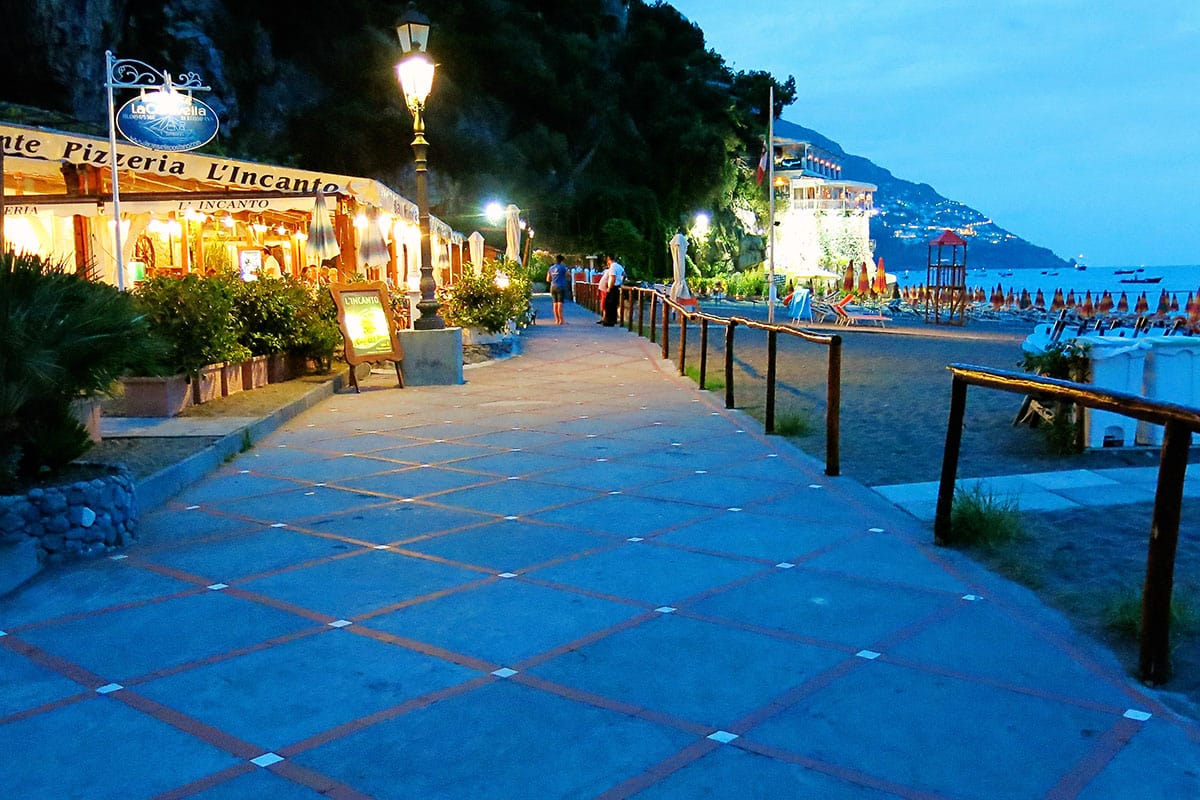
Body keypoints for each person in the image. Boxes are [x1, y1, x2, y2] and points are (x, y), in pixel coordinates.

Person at [598, 255, 625, 326]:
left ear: (609, 259)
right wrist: (621, 282)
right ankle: (613, 319)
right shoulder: (619, 266)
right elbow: (624, 275)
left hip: (613, 287)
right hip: (617, 286)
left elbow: (612, 277)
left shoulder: (612, 267)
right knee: (613, 304)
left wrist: (609, 287)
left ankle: (609, 320)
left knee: (609, 304)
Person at [546, 254, 570, 325]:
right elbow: (568, 275)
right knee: (560, 304)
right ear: (562, 261)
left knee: (555, 304)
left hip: (553, 286)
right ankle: (561, 320)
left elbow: (548, 279)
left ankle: (557, 320)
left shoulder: (551, 268)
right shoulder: (562, 268)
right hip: (560, 286)